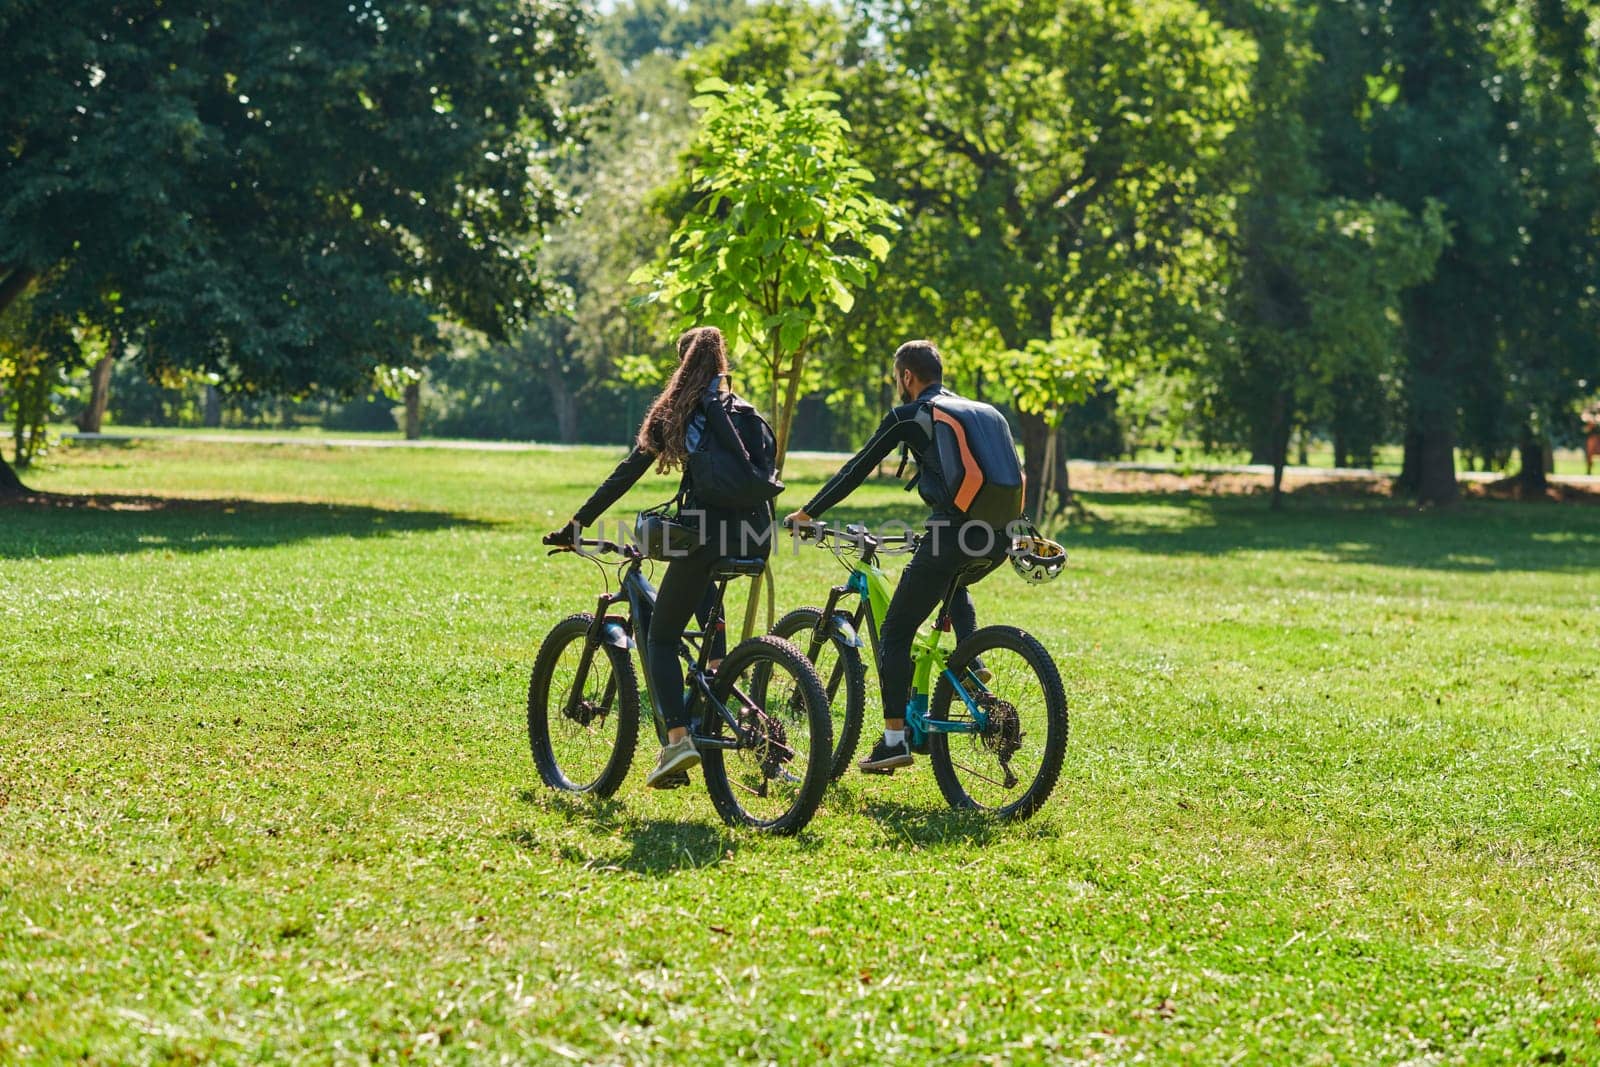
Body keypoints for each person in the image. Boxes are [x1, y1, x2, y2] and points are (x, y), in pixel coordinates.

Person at [548, 326, 772, 788]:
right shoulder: (742, 411)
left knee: (663, 639)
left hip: (705, 536)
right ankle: (717, 679)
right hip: (753, 538)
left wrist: (578, 524)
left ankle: (676, 742)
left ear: (684, 364)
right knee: (701, 589)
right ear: (721, 363)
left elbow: (628, 471)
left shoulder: (681, 410)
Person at [784, 340, 1010, 774]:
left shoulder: (911, 416)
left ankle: (893, 742)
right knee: (952, 580)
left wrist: (809, 512)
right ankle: (971, 663)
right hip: (998, 538)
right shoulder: (978, 412)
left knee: (893, 633)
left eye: (896, 378)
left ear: (907, 376)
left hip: (953, 533)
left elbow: (858, 466)